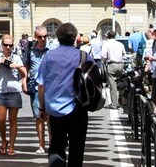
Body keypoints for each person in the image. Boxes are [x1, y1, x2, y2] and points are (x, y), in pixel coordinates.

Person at [37, 22, 93, 167]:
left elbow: (41, 84)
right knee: (77, 147)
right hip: (78, 108)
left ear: (57, 37)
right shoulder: (84, 56)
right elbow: (95, 77)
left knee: (56, 145)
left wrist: (42, 108)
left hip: (55, 109)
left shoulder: (49, 56)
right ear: (75, 38)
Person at [0, 34, 27, 156]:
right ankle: (3, 141)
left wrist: (17, 67)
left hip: (14, 92)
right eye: (5, 45)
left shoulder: (16, 58)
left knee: (13, 120)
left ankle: (11, 146)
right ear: (1, 45)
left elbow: (24, 74)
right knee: (1, 120)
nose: (8, 47)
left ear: (13, 46)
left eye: (10, 45)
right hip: (1, 91)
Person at [24, 25, 50, 154]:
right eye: (40, 37)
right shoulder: (30, 51)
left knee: (50, 116)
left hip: (50, 87)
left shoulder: (52, 50)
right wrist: (24, 82)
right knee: (39, 117)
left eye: (45, 36)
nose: (43, 38)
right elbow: (26, 67)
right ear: (36, 37)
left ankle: (53, 143)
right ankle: (41, 145)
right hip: (34, 87)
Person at [101, 30, 127, 110]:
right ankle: (123, 101)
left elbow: (103, 56)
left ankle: (114, 104)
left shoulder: (106, 44)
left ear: (107, 36)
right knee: (121, 83)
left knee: (113, 85)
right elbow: (124, 55)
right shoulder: (120, 44)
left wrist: (104, 63)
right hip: (121, 64)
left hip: (111, 64)